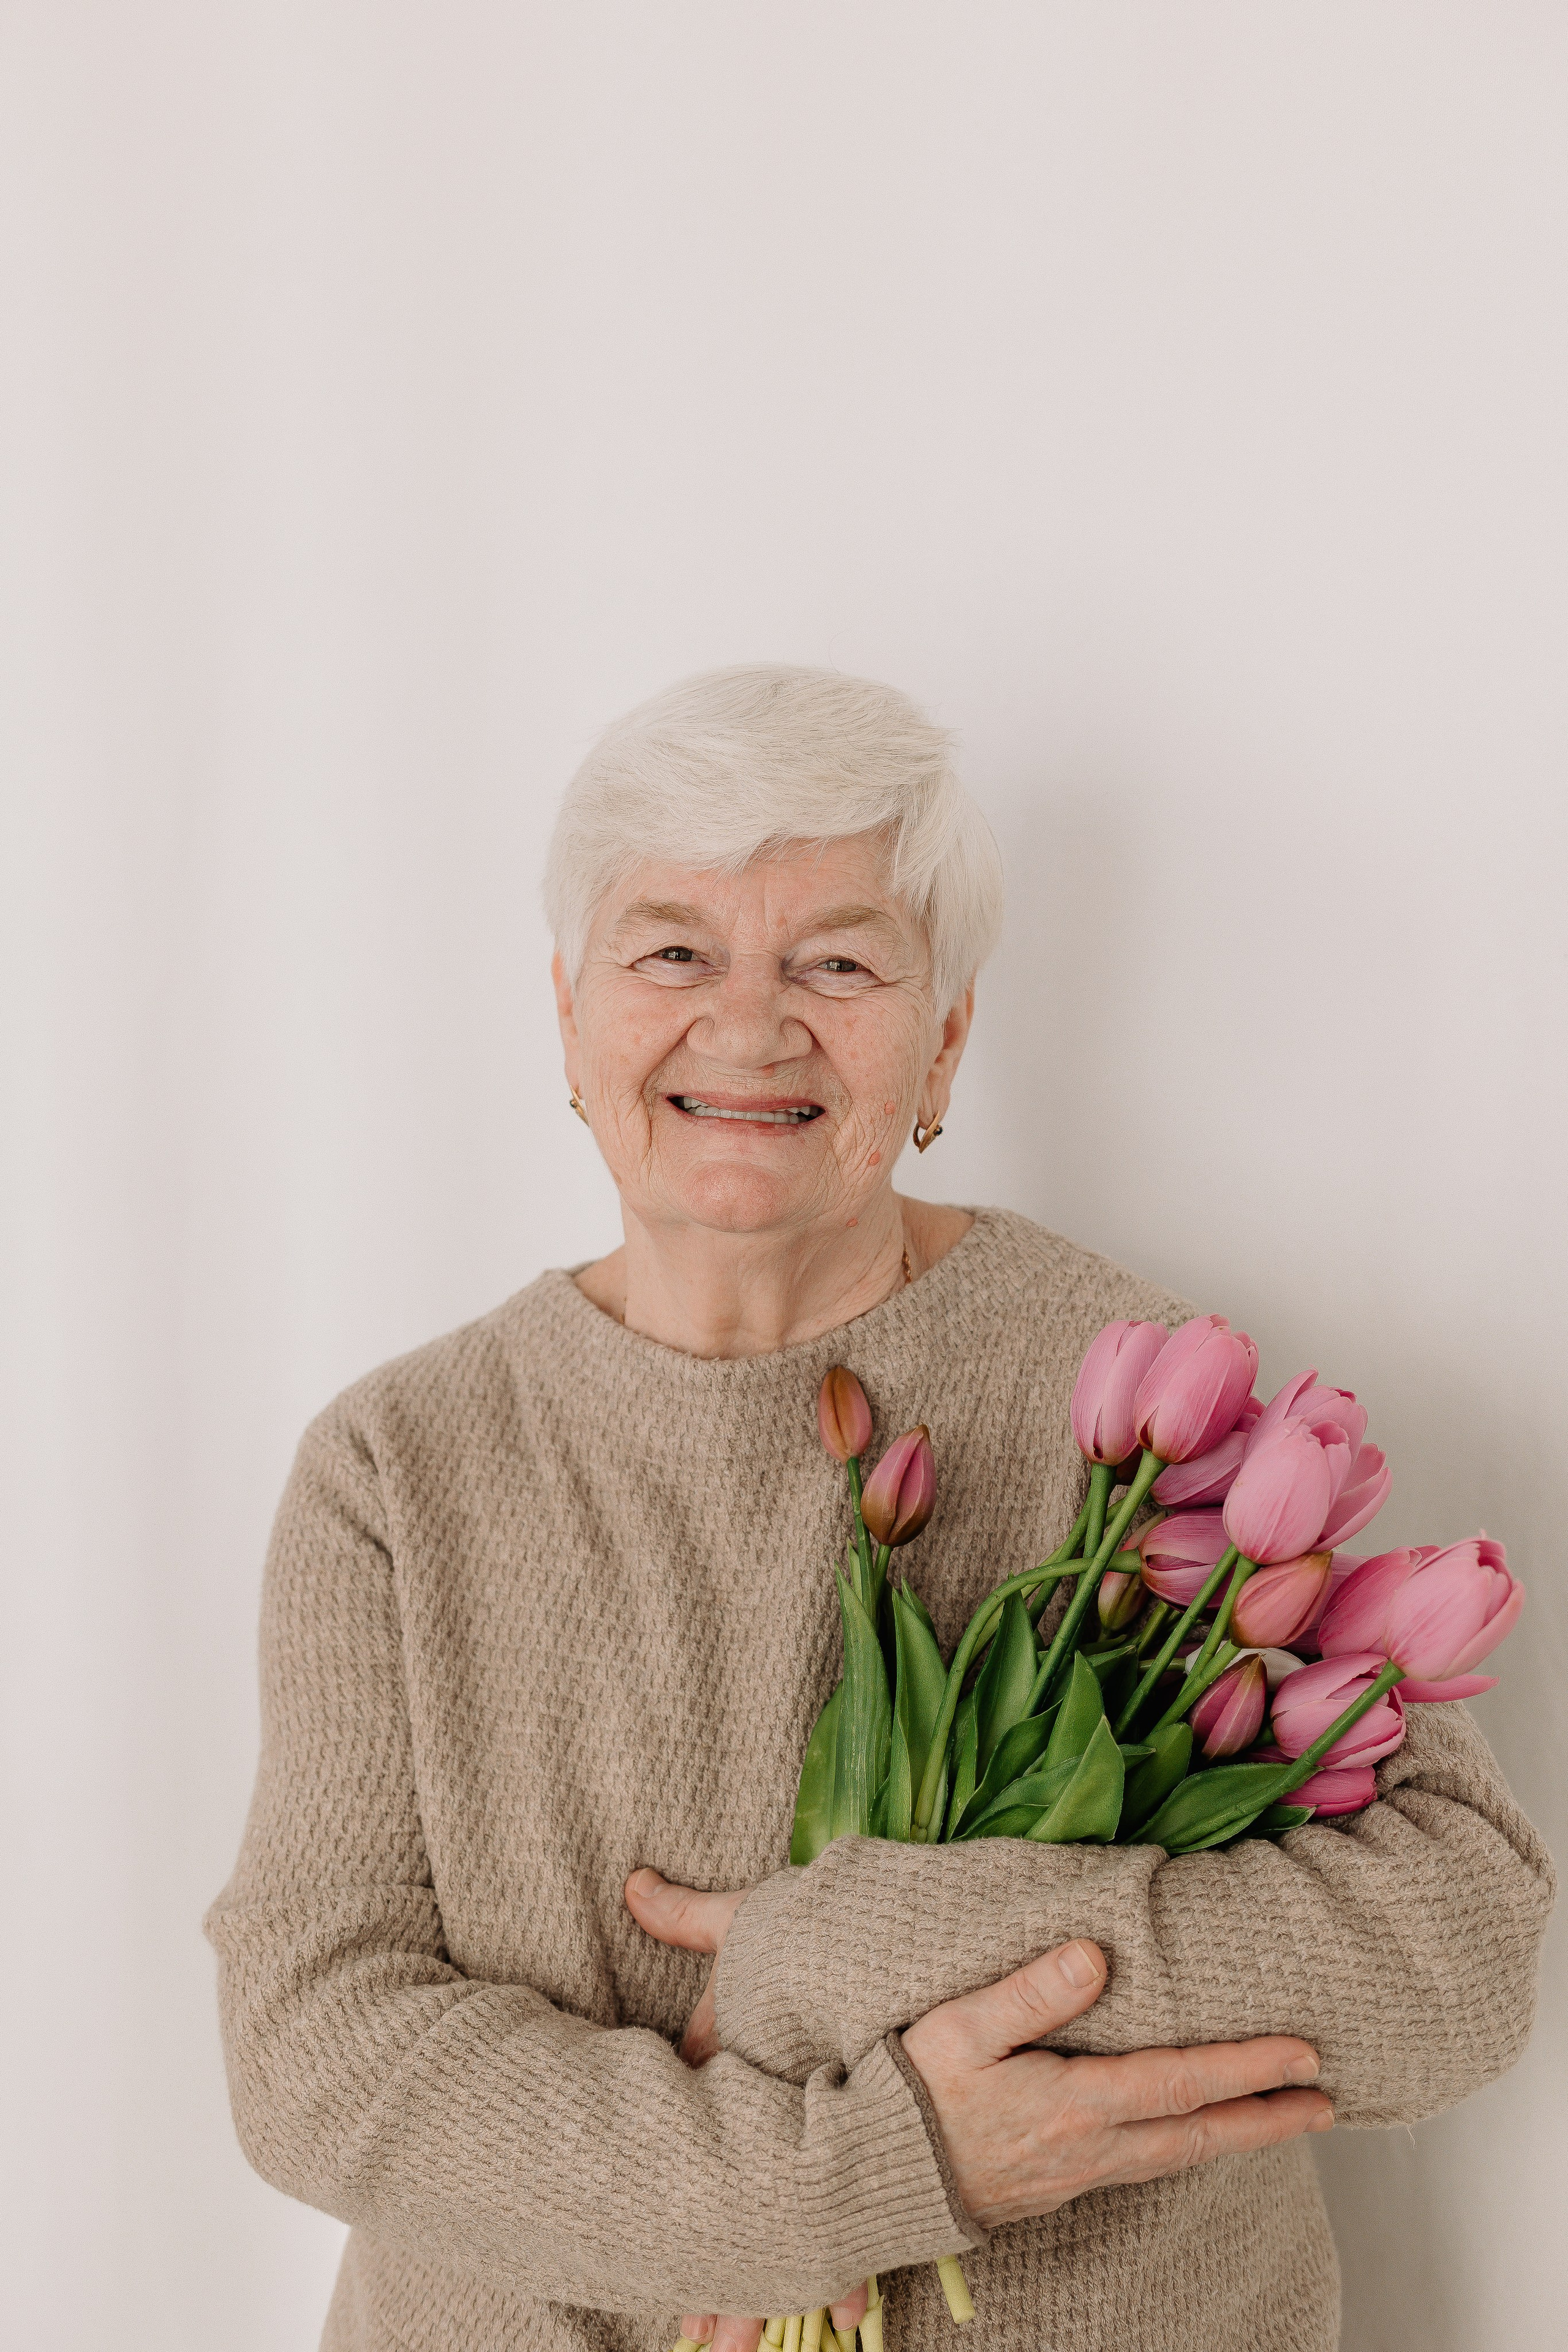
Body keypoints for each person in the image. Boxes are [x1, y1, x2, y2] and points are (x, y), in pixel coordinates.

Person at [207, 666, 1552, 2352]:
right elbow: (315, 2048)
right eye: (671, 952)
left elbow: (1455, 1955)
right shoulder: (398, 1466)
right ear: (568, 1013)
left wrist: (865, 1942)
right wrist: (855, 2178)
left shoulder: (1146, 1404)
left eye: (837, 964)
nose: (749, 1025)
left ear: (948, 1036)